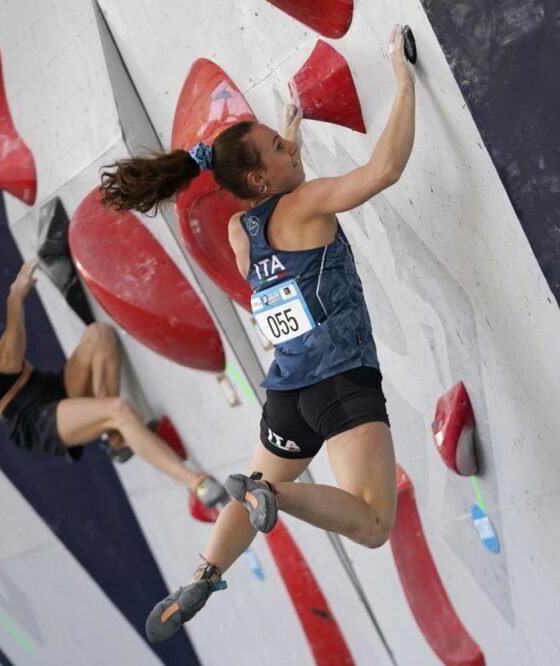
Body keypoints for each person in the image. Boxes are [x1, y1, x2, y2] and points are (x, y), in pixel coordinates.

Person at [99, 26, 416, 641]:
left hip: (289, 393)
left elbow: (278, 197)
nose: (289, 147)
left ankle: (201, 573)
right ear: (262, 180)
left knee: (262, 484)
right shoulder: (308, 205)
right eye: (279, 146)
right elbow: (383, 170)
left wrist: (289, 138)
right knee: (374, 523)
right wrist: (402, 80)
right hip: (341, 382)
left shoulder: (244, 230)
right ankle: (279, 497)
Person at [0, 137, 226, 507]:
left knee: (100, 336)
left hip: (48, 386)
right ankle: (197, 484)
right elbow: (7, 360)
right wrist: (14, 302)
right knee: (119, 410)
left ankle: (115, 438)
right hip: (28, 417)